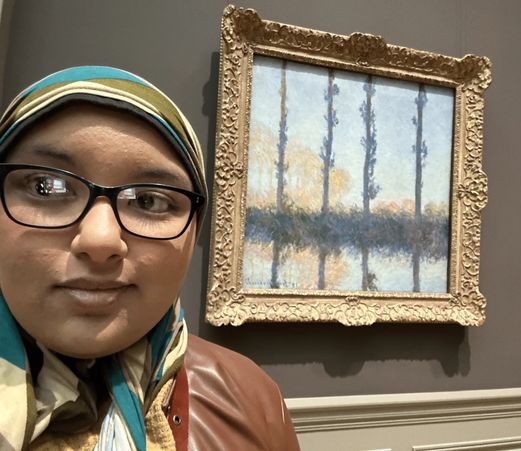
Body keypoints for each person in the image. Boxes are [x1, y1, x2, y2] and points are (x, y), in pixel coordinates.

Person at [0, 66, 300, 451]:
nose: (100, 239)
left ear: (193, 233)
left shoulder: (250, 398)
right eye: (48, 186)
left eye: (148, 201)